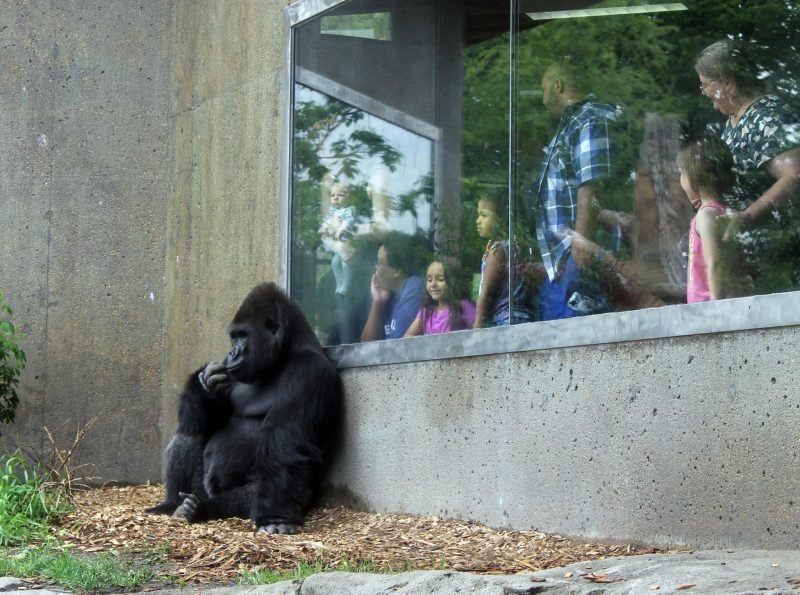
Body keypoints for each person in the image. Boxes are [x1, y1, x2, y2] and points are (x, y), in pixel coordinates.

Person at [695, 39, 800, 291]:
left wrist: (748, 216)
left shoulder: (766, 115)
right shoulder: (732, 123)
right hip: (750, 262)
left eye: (704, 85)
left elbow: (794, 173)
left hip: (779, 258)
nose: (704, 93)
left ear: (727, 81)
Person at [532, 61, 619, 320]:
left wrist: (581, 246)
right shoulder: (569, 126)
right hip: (562, 260)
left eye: (543, 89)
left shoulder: (589, 118)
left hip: (576, 256)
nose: (542, 98)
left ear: (557, 86)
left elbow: (590, 185)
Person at [678, 137, 751, 303]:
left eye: (681, 173)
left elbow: (715, 264)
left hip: (710, 312)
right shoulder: (720, 213)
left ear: (695, 174)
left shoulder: (707, 216)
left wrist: (717, 310)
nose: (680, 180)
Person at [474, 189, 533, 328]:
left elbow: (486, 293)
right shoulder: (516, 247)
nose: (478, 221)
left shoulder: (498, 250)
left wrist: (476, 327)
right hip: (523, 317)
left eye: (483, 215)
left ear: (500, 218)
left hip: (504, 321)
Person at [360, 233, 425, 341]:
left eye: (379, 263)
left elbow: (398, 345)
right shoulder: (390, 296)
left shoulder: (414, 286)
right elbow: (366, 344)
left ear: (397, 271)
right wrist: (377, 301)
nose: (375, 269)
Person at [404, 257, 476, 337]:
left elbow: (479, 333)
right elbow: (407, 338)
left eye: (440, 279)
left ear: (453, 282)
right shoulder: (426, 312)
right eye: (429, 280)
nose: (433, 284)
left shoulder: (463, 307)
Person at [319, 182, 359, 296]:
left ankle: (346, 284)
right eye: (333, 195)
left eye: (340, 195)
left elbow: (349, 221)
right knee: (335, 262)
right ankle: (339, 284)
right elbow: (327, 221)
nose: (335, 198)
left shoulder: (350, 210)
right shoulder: (332, 211)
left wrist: (341, 229)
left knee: (346, 261)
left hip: (347, 242)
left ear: (348, 198)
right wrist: (323, 228)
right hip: (338, 244)